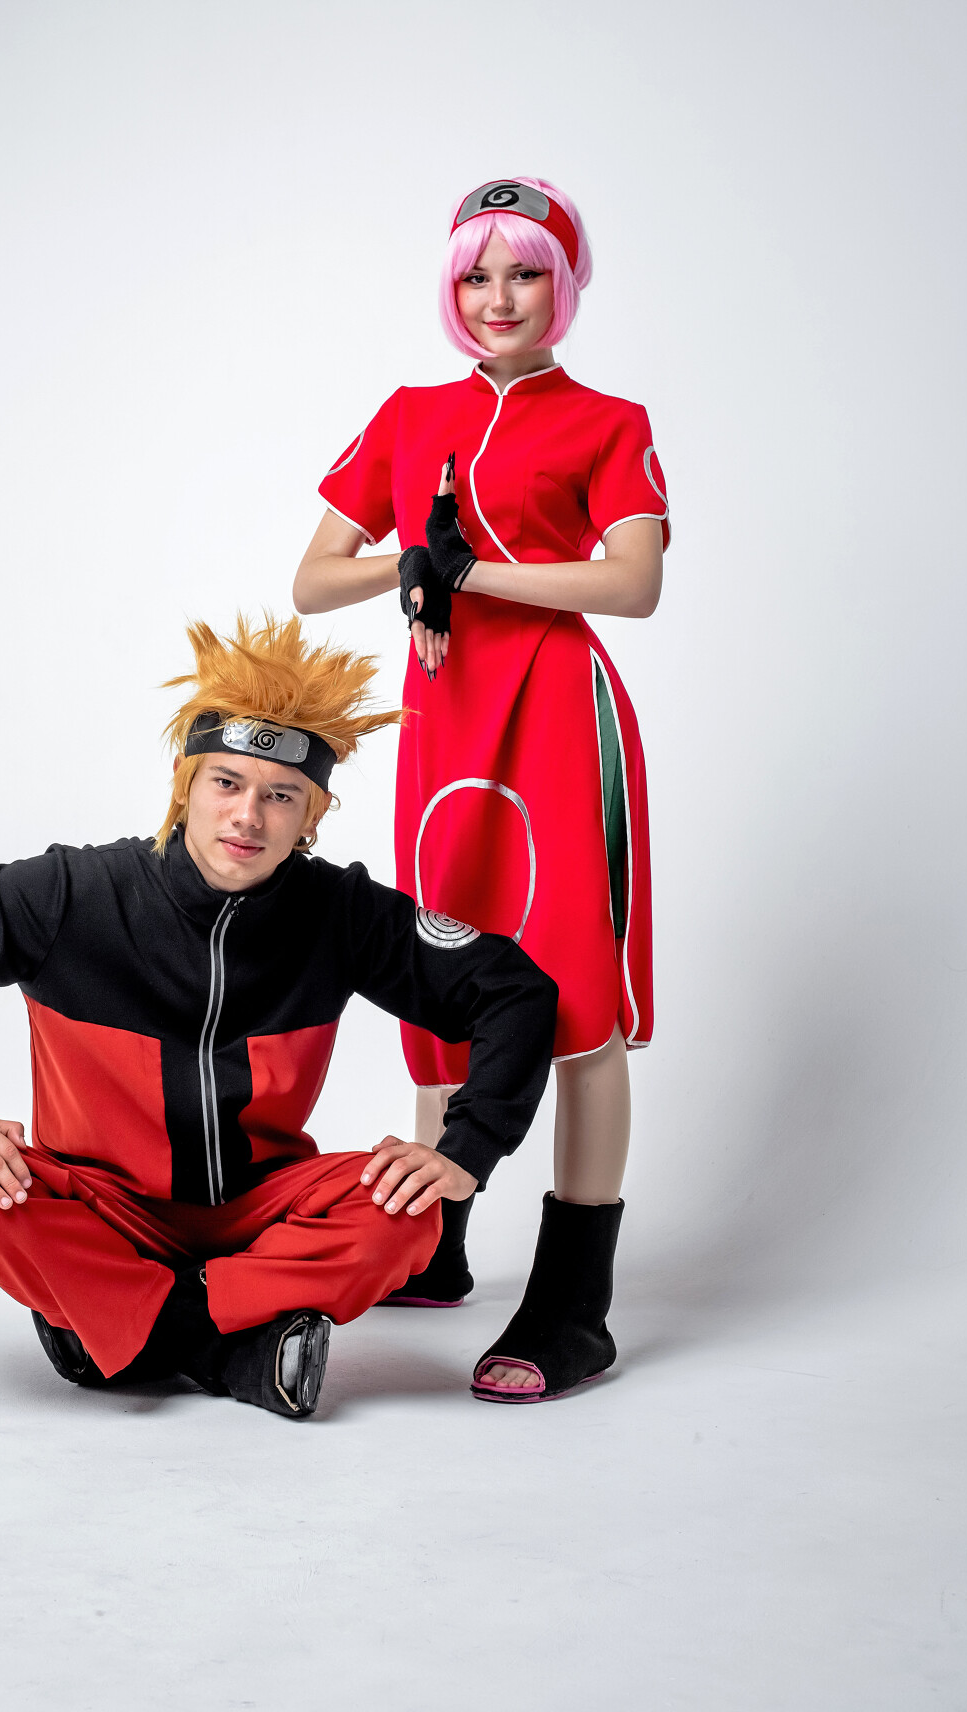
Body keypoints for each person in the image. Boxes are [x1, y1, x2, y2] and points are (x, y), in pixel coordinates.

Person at [0, 614, 558, 1420]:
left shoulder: (340, 913)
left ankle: (116, 1327)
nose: (248, 816)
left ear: (313, 815)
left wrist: (467, 1150)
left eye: (281, 796)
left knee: (408, 1214)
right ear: (184, 785)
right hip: (101, 1205)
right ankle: (230, 1349)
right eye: (226, 784)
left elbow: (514, 992)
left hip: (264, 1209)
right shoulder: (70, 893)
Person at [293, 177, 669, 1402]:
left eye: (524, 273)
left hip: (557, 716)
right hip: (442, 723)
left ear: (565, 285)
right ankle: (437, 1238)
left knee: (572, 990)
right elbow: (313, 578)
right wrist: (412, 560)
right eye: (475, 275)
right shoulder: (410, 416)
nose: (498, 298)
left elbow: (632, 585)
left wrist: (478, 573)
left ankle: (575, 1303)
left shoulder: (608, 421)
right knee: (439, 970)